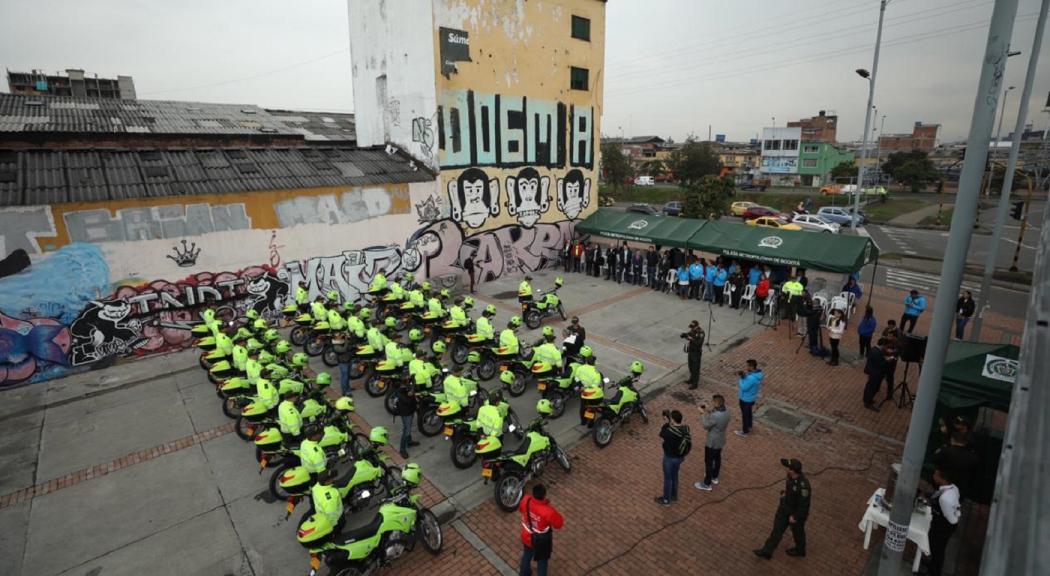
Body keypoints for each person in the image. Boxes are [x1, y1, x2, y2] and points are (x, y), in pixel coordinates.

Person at [754, 458, 811, 559]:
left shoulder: (803, 487)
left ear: (792, 471)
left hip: (795, 513)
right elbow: (785, 463)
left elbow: (804, 505)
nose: (786, 469)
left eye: (788, 468)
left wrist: (795, 517)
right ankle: (767, 551)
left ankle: (800, 550)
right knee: (777, 530)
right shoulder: (790, 475)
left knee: (798, 532)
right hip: (785, 508)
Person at [519, 483, 564, 576]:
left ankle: (524, 573)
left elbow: (521, 510)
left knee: (527, 555)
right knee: (542, 562)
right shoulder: (548, 511)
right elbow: (559, 524)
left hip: (527, 535)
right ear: (544, 496)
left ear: (533, 493)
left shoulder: (525, 500)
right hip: (541, 541)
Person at [926, 467, 961, 576]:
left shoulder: (944, 498)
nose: (933, 476)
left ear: (942, 479)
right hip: (944, 522)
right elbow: (957, 506)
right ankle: (932, 565)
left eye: (936, 475)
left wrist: (954, 518)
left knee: (938, 550)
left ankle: (934, 572)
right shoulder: (954, 488)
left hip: (943, 526)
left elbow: (950, 518)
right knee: (936, 547)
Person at [694, 394, 730, 491]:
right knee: (717, 458)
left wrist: (702, 414)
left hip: (712, 441)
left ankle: (707, 483)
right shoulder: (727, 411)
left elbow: (706, 425)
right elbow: (716, 415)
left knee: (709, 462)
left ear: (717, 403)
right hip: (721, 439)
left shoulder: (715, 416)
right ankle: (715, 477)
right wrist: (708, 410)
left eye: (713, 402)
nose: (712, 403)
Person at [655, 409, 690, 506]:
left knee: (668, 478)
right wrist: (671, 423)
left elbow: (661, 434)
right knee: (675, 475)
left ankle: (666, 500)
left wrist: (666, 423)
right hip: (680, 458)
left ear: (673, 420)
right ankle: (674, 495)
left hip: (669, 458)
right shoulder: (686, 428)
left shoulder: (669, 431)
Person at [735, 359, 763, 437]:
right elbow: (748, 379)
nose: (746, 367)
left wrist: (740, 378)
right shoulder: (757, 375)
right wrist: (745, 376)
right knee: (749, 413)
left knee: (745, 415)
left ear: (751, 366)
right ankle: (749, 425)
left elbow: (744, 387)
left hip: (745, 399)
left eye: (747, 365)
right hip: (751, 398)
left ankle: (745, 431)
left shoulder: (752, 378)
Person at [862, 344, 894, 410]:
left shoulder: (874, 349)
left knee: (870, 386)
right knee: (871, 388)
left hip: (872, 371)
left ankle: (868, 400)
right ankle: (868, 402)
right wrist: (887, 360)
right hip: (875, 372)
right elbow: (880, 364)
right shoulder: (877, 352)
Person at [394, 385, 419, 458]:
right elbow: (407, 401)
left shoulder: (407, 387)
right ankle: (402, 449)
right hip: (406, 413)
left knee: (408, 427)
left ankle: (409, 442)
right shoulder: (400, 391)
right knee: (406, 430)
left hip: (410, 411)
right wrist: (411, 395)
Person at [684, 321, 705, 389]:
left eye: (693, 327)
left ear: (697, 326)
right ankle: (691, 379)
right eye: (691, 327)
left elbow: (698, 343)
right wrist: (684, 335)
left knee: (695, 368)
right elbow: (688, 334)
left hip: (696, 353)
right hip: (691, 351)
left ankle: (695, 384)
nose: (692, 329)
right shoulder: (692, 331)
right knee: (690, 366)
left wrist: (691, 339)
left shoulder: (701, 333)